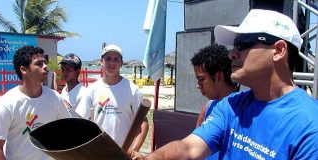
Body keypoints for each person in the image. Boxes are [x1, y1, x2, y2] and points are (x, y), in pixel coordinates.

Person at [128, 9, 318, 160]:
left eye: (243, 43)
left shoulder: (310, 126)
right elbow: (189, 147)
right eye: (233, 46)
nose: (232, 54)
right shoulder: (232, 105)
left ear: (278, 50)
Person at [0, 46, 70, 160]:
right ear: (24, 70)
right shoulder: (8, 103)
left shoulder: (55, 98)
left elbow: (69, 131)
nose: (45, 66)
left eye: (45, 62)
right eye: (39, 63)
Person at [76, 44, 149, 151]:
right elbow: (82, 122)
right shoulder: (92, 90)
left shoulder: (133, 90)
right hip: (99, 152)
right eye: (108, 58)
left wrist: (134, 150)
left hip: (124, 153)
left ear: (121, 63)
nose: (112, 63)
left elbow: (143, 122)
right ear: (101, 62)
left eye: (116, 59)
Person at [191, 44, 238, 128]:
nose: (198, 86)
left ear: (219, 77)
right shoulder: (208, 107)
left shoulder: (243, 110)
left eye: (201, 79)